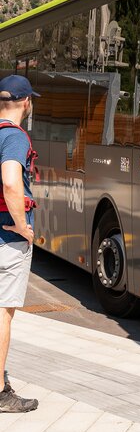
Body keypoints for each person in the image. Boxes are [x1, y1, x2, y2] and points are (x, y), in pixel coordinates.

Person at [0, 74, 39, 413]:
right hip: (5, 239)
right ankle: (0, 392)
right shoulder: (14, 137)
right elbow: (12, 182)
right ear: (26, 102)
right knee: (3, 313)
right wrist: (22, 226)